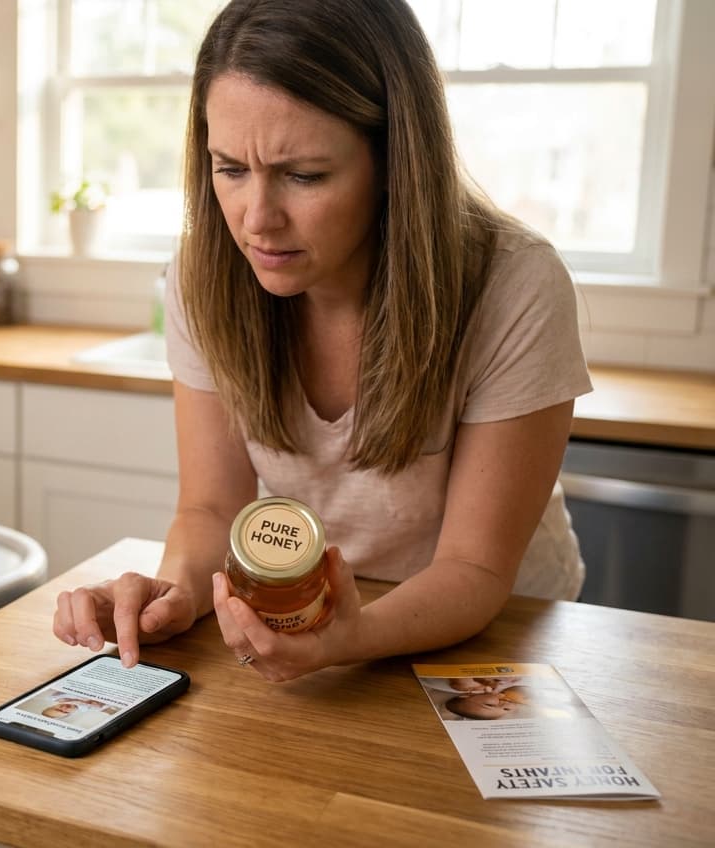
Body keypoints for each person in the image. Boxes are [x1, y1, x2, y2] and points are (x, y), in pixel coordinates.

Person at [52, 0, 592, 683]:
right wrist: (175, 593)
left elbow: (474, 569)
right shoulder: (204, 274)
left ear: (395, 161)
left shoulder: (514, 283)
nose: (257, 219)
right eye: (230, 168)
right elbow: (212, 509)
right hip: (318, 623)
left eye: (303, 175)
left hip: (498, 635)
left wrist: (351, 636)